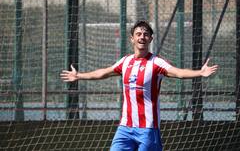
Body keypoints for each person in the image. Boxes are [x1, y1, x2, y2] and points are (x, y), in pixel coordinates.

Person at [60, 21, 218, 151]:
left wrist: (200, 72)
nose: (142, 37)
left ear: (150, 39)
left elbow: (179, 73)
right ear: (132, 39)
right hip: (125, 128)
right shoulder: (125, 61)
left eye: (146, 34)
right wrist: (78, 75)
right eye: (138, 34)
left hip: (148, 130)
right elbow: (103, 73)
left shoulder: (156, 62)